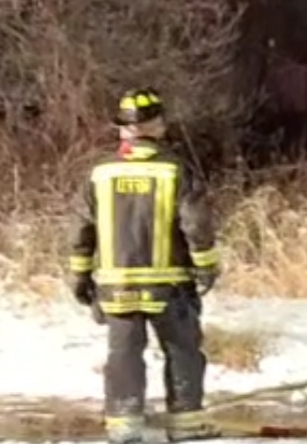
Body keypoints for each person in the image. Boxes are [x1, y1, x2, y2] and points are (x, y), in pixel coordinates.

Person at [67, 88, 223, 444]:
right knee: (183, 351)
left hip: (116, 287)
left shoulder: (99, 173)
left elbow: (80, 228)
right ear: (157, 125)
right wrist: (206, 266)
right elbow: (196, 225)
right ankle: (187, 425)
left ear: (123, 129)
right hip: (169, 287)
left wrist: (79, 275)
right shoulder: (175, 170)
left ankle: (124, 426)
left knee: (123, 356)